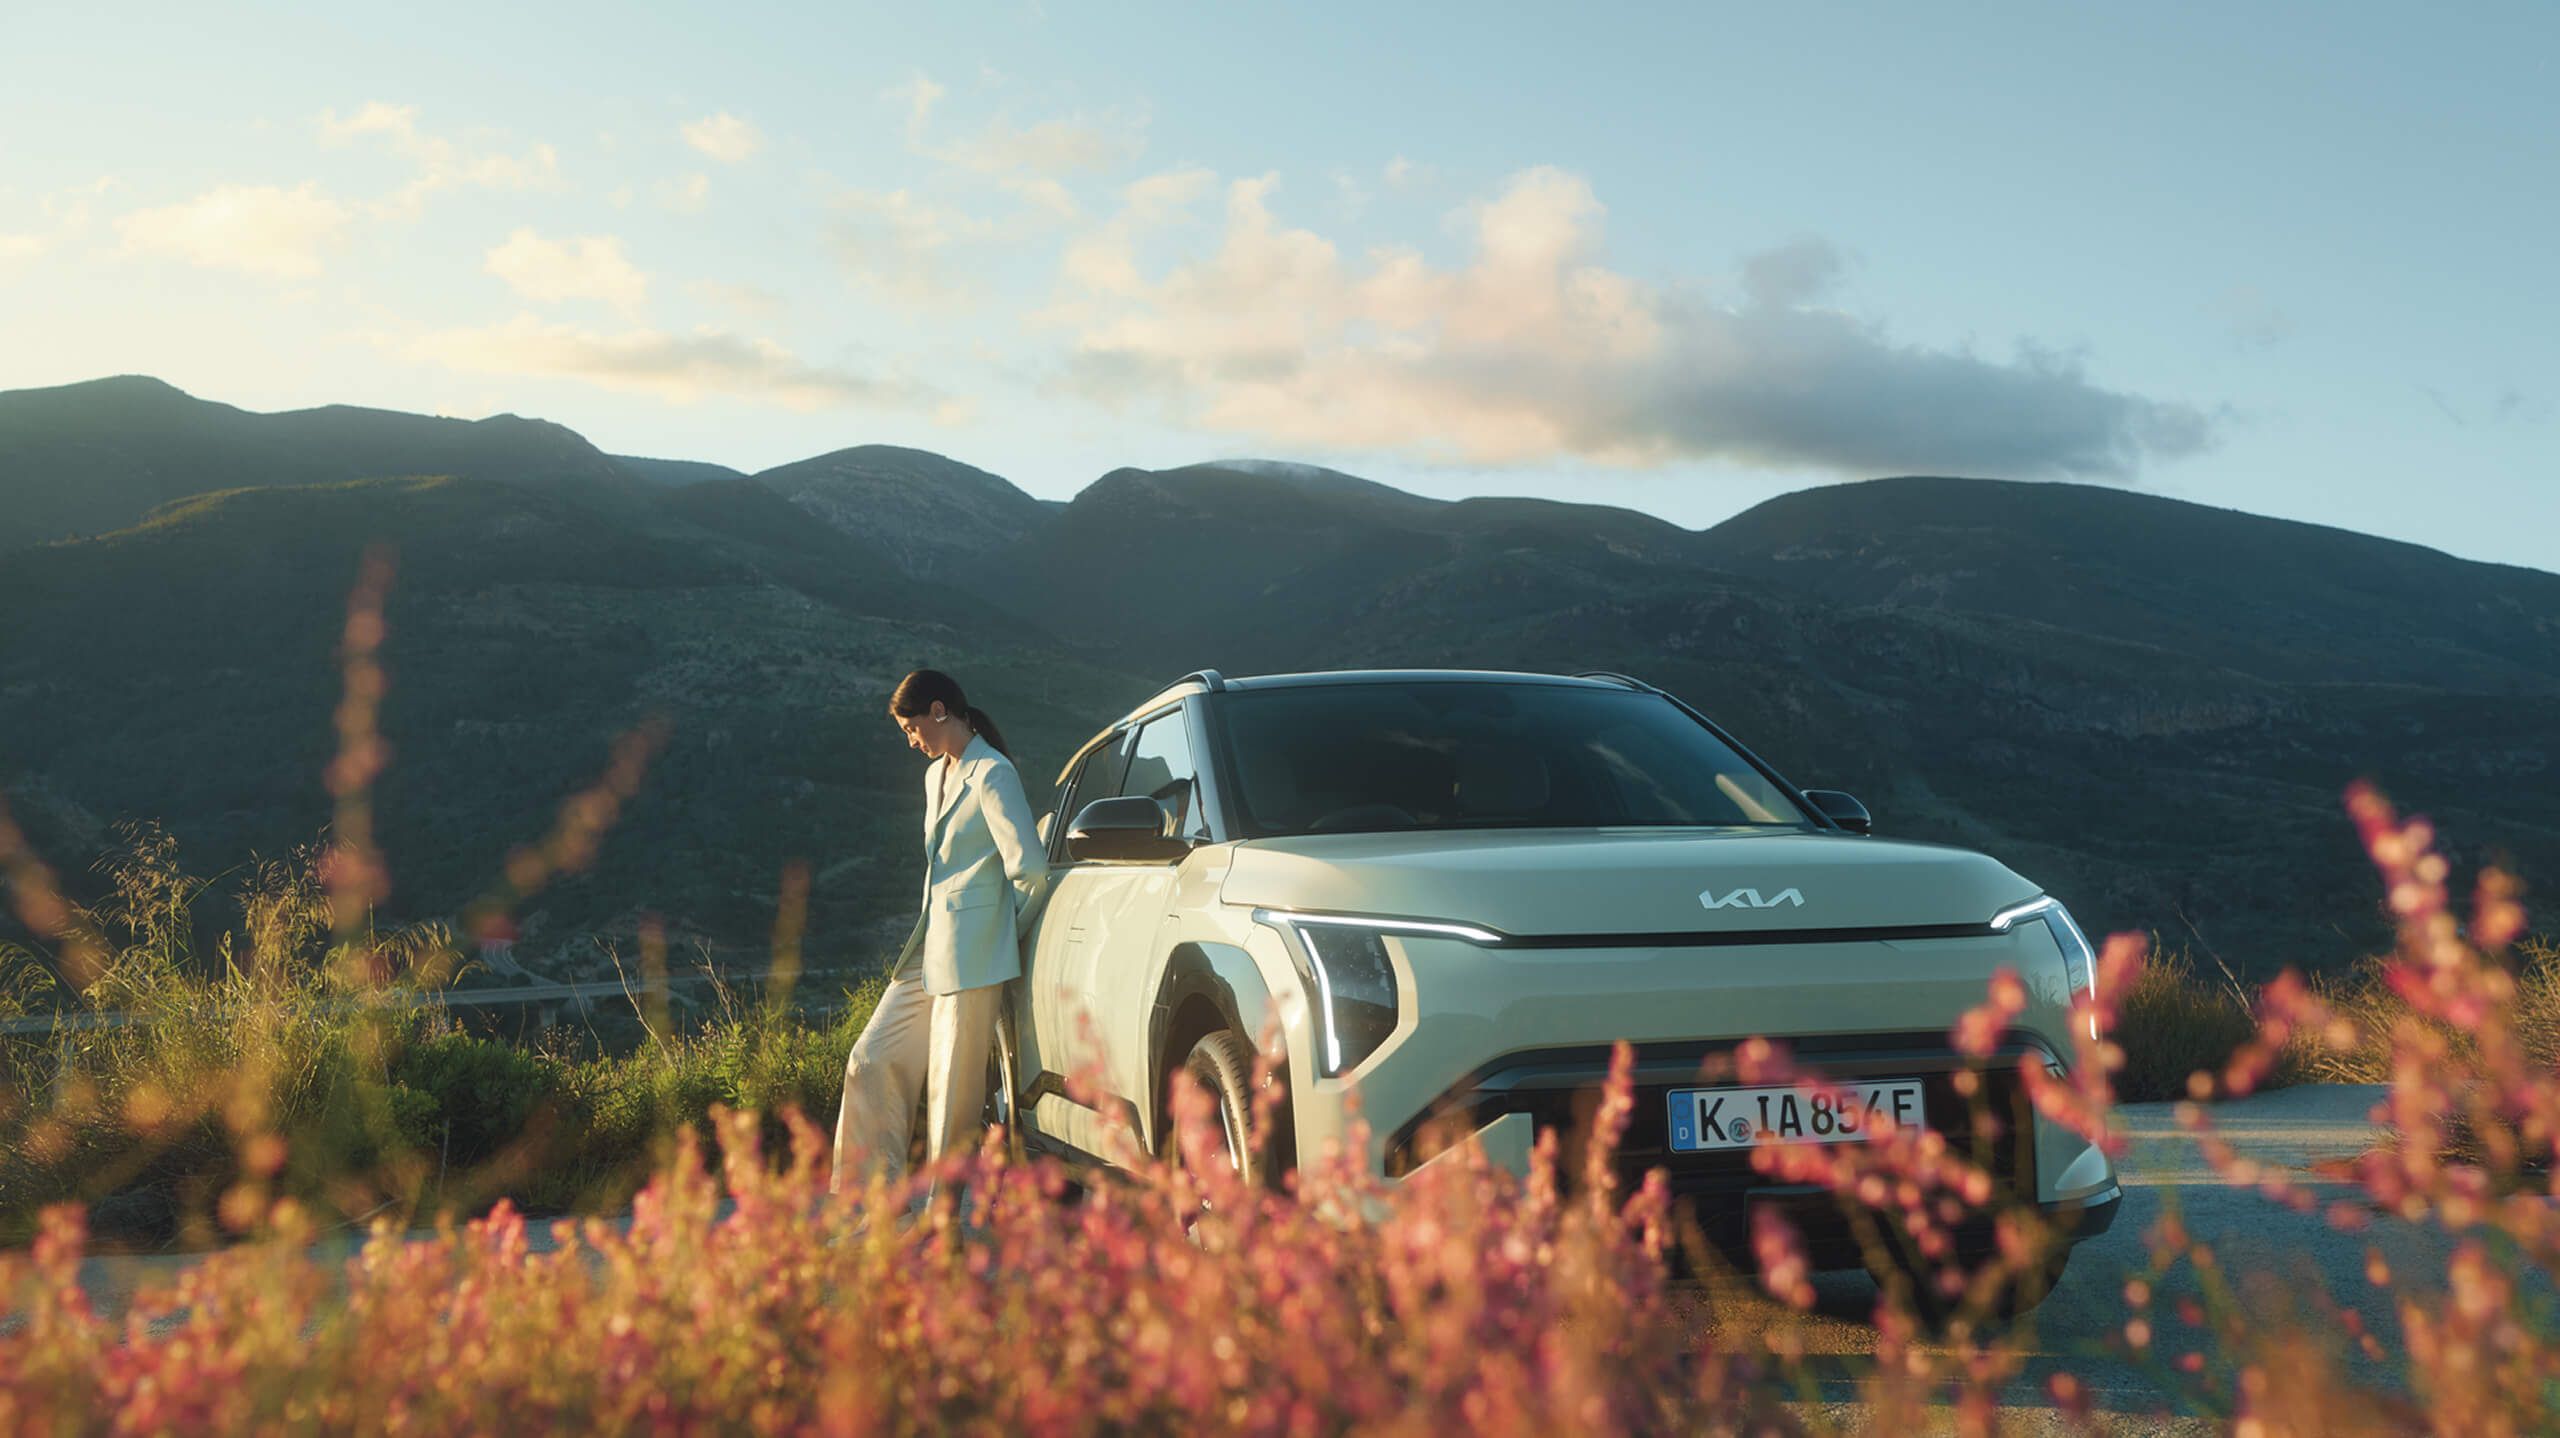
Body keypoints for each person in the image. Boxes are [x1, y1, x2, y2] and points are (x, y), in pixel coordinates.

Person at [831, 670, 1050, 1194]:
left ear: (938, 711)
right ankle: (872, 1204)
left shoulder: (993, 774)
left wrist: (1001, 940)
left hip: (975, 958)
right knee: (870, 1057)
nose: (912, 742)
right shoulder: (936, 777)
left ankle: (940, 1222)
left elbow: (1031, 871)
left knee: (951, 1098)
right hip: (929, 951)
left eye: (911, 728)